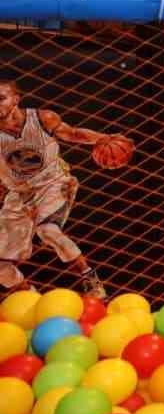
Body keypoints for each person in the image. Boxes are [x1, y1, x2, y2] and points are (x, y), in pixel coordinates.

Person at [0, 78, 132, 297]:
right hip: (20, 194)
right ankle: (29, 297)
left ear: (16, 99)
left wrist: (105, 138)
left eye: (1, 98)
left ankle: (90, 279)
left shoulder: (42, 118)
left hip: (53, 183)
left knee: (48, 230)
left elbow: (73, 134)